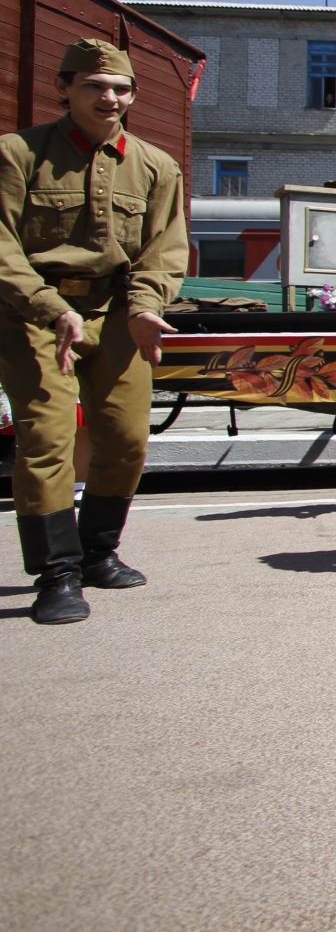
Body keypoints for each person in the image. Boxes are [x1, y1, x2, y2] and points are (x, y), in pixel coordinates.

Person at [0, 38, 188, 625]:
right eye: (94, 86)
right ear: (66, 88)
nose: (109, 97)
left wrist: (143, 304)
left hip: (116, 312)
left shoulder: (157, 167)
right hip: (36, 313)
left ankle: (97, 552)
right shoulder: (18, 154)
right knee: (47, 440)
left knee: (127, 438)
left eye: (120, 88)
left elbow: (164, 250)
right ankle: (56, 575)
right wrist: (48, 305)